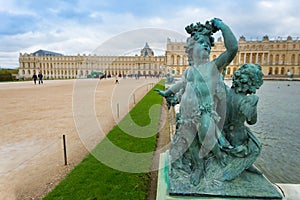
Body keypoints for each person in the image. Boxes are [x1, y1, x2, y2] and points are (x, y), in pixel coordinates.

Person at [156, 18, 238, 185]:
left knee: (206, 135)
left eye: (208, 44)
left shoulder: (214, 67)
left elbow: (233, 49)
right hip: (186, 113)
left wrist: (222, 26)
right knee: (191, 144)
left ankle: (221, 158)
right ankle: (198, 167)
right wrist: (167, 92)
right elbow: (181, 85)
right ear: (192, 48)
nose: (206, 45)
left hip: (203, 111)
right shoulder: (189, 71)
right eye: (202, 43)